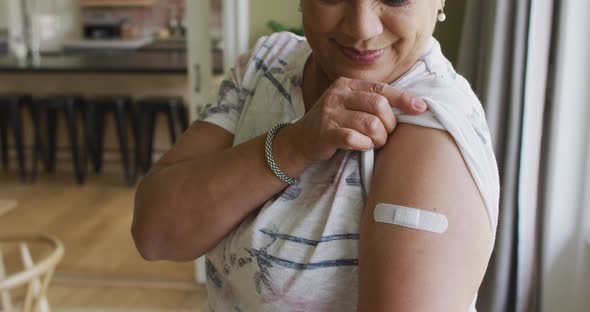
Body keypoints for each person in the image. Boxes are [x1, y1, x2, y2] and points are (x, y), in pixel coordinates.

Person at [132, 0, 500, 311]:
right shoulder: (268, 65)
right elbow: (154, 234)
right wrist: (293, 145)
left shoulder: (430, 126)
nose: (361, 28)